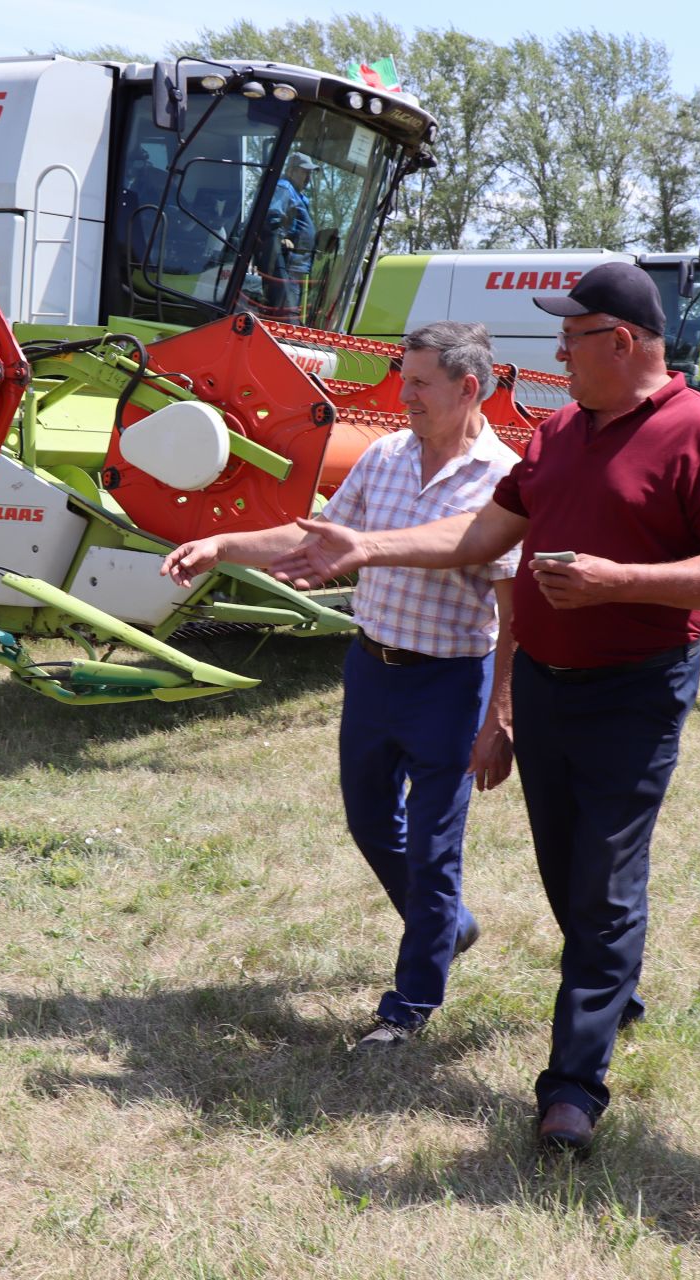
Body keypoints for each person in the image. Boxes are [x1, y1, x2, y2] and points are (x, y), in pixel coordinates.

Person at [266, 262, 700, 1152]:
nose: (557, 354)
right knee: (569, 869)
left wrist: (621, 583)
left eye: (571, 338)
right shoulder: (559, 434)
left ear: (621, 342)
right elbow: (481, 534)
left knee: (607, 880)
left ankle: (573, 1086)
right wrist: (366, 547)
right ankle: (614, 987)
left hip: (636, 690)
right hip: (546, 685)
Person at [162, 322, 519, 1049]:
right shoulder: (385, 456)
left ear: (469, 387)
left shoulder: (502, 478)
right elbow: (316, 535)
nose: (404, 394)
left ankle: (410, 1005)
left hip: (452, 682)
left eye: (419, 382)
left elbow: (515, 611)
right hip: (372, 669)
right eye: (403, 377)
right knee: (369, 822)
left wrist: (501, 714)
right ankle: (447, 925)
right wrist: (224, 546)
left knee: (432, 845)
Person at [263, 152, 317, 318]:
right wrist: (282, 238)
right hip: (287, 264)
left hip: (297, 266)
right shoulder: (284, 188)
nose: (308, 177)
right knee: (286, 315)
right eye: (304, 172)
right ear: (292, 171)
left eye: (309, 173)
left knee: (291, 311)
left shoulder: (299, 195)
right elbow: (272, 216)